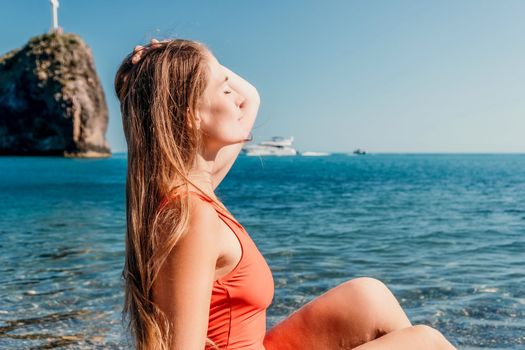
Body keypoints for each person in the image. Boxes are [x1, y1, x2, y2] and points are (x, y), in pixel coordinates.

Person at [114, 38, 456, 350]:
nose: (236, 96)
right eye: (224, 90)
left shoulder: (198, 184)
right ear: (192, 117)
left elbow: (252, 98)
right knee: (425, 342)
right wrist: (174, 66)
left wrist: (179, 59)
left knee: (368, 296)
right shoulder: (192, 218)